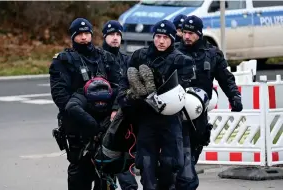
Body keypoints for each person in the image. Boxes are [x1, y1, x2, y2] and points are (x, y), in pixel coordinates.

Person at [117, 19, 195, 190]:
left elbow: (184, 88)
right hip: (146, 120)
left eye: (165, 37)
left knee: (170, 165)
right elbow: (123, 83)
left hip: (171, 120)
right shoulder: (139, 56)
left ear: (173, 38)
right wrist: (127, 100)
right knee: (146, 169)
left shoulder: (182, 60)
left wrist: (160, 88)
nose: (161, 41)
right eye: (158, 36)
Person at [49, 17, 122, 190]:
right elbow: (60, 96)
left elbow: (120, 87)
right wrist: (84, 117)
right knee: (79, 172)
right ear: (73, 36)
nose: (83, 37)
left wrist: (114, 110)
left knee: (106, 173)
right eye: (79, 34)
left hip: (106, 124)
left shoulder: (105, 58)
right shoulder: (63, 61)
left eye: (86, 33)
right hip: (78, 125)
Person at [175, 15, 243, 189]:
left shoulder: (212, 54)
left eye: (191, 33)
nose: (187, 36)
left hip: (199, 118)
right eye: (185, 32)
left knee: (191, 157)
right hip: (175, 116)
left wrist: (234, 97)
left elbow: (226, 79)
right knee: (182, 162)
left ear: (199, 33)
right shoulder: (174, 52)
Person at [101, 20, 139, 190]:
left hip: (123, 118)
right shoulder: (98, 58)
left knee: (124, 162)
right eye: (111, 35)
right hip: (102, 117)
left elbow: (130, 86)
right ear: (104, 36)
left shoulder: (127, 60)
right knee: (104, 168)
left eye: (118, 35)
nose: (115, 38)